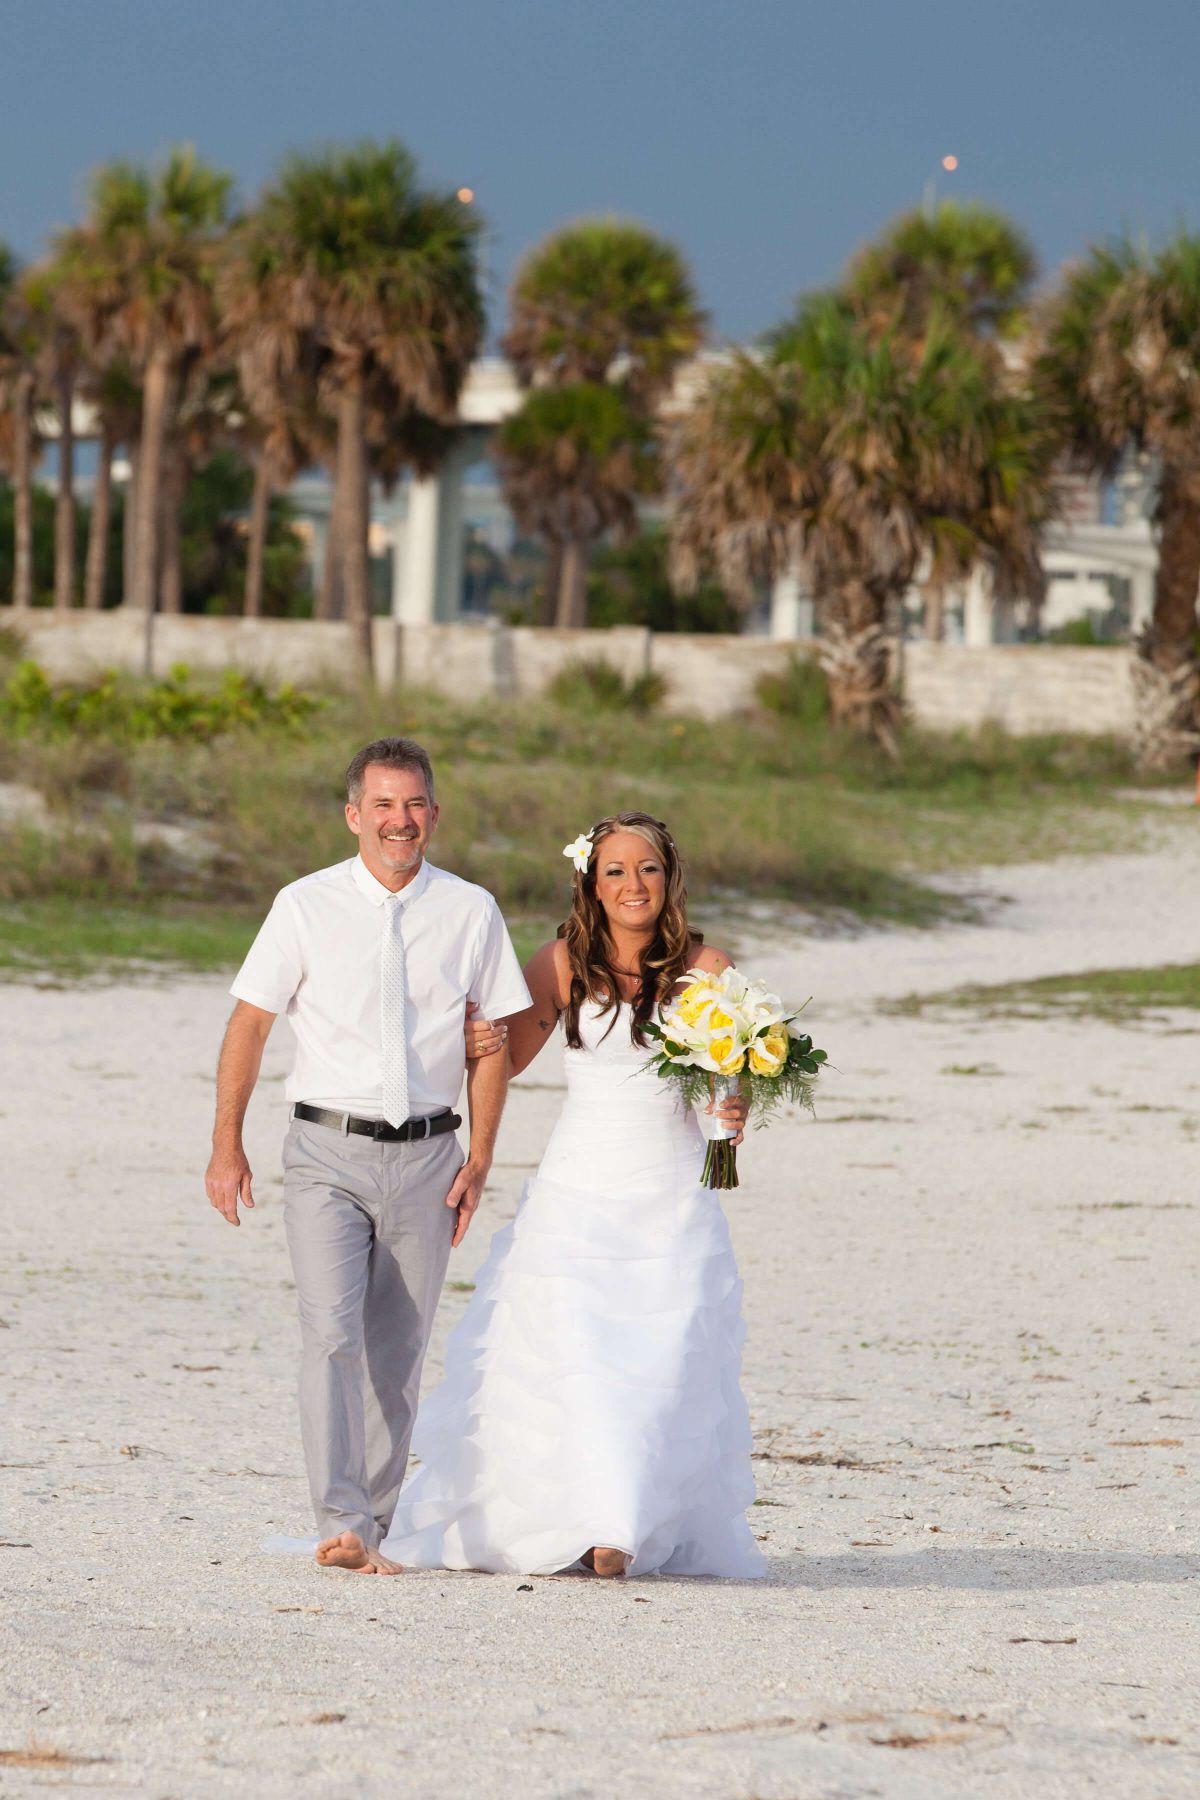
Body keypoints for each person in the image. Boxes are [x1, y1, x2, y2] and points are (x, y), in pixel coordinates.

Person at [378, 810, 766, 1580]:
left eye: (647, 870)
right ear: (591, 879)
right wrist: (468, 1038)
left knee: (662, 1359)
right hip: (578, 1191)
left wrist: (736, 1106)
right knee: (578, 1355)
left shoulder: (707, 969)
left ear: (670, 879)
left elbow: (731, 1071)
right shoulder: (563, 962)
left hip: (669, 1195)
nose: (633, 885)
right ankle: (599, 1526)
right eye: (616, 870)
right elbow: (505, 1056)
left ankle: (626, 1522)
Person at [204, 736, 531, 1575]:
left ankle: (371, 1530)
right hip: (325, 1152)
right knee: (331, 1334)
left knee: (397, 1354)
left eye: (414, 804)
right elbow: (249, 1024)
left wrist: (481, 1156)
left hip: (429, 1156)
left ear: (434, 813)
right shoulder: (304, 905)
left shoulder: (471, 911)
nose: (400, 820)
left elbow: (492, 1042)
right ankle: (339, 1515)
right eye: (382, 805)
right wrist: (225, 1145)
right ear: (354, 815)